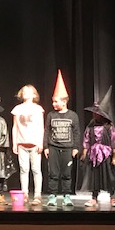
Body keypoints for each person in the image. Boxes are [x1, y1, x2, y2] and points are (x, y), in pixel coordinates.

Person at [78, 86, 115, 208]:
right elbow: (86, 140)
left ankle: (112, 196)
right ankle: (94, 197)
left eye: (96, 113)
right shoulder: (90, 127)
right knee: (94, 177)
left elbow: (114, 142)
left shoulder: (109, 127)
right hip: (94, 155)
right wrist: (84, 153)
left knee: (109, 175)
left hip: (106, 155)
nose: (94, 115)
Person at [44, 71, 81, 208]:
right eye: (53, 101)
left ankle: (66, 195)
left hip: (67, 148)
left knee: (66, 174)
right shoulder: (51, 115)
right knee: (53, 173)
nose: (53, 104)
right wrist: (46, 146)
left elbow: (76, 132)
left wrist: (76, 147)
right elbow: (47, 131)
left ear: (64, 101)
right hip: (53, 147)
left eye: (56, 101)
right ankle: (52, 196)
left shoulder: (73, 116)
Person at [11, 84, 45, 205]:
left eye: (28, 91)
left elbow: (41, 127)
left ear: (34, 95)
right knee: (24, 169)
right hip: (22, 143)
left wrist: (40, 143)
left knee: (36, 169)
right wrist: (14, 143)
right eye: (23, 91)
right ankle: (24, 194)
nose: (25, 93)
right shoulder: (17, 109)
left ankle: (37, 195)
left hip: (34, 143)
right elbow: (15, 127)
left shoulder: (38, 109)